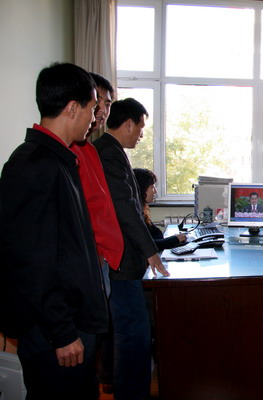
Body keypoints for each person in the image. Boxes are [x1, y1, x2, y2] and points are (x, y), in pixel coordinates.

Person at [0, 62, 108, 399]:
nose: (94, 118)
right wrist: (61, 331)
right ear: (73, 108)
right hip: (56, 332)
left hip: (70, 321)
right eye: (92, 108)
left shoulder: (60, 160)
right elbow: (29, 262)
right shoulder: (32, 166)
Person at [93, 97, 170, 400]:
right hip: (121, 263)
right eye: (140, 127)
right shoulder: (108, 153)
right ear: (128, 123)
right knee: (133, 333)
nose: (141, 134)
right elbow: (125, 207)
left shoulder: (111, 151)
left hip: (122, 260)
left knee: (134, 332)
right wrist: (151, 251)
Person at [70, 72, 124, 395]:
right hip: (85, 268)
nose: (102, 112)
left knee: (90, 352)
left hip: (99, 262)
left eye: (106, 105)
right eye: (98, 103)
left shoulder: (88, 149)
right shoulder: (68, 154)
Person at [133, 167, 187, 250]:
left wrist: (173, 239)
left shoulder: (141, 209)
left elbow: (156, 233)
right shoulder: (133, 214)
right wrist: (175, 239)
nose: (155, 191)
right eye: (152, 187)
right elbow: (147, 245)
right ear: (140, 189)